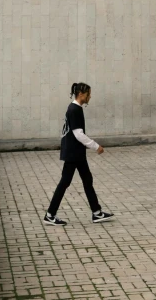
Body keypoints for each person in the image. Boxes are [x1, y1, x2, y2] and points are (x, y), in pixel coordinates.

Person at [44, 82, 114, 226]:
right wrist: (96, 146)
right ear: (81, 94)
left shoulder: (75, 108)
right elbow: (78, 134)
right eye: (88, 94)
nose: (90, 96)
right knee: (65, 182)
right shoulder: (74, 109)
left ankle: (97, 213)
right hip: (73, 153)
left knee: (87, 179)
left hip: (77, 152)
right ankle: (50, 214)